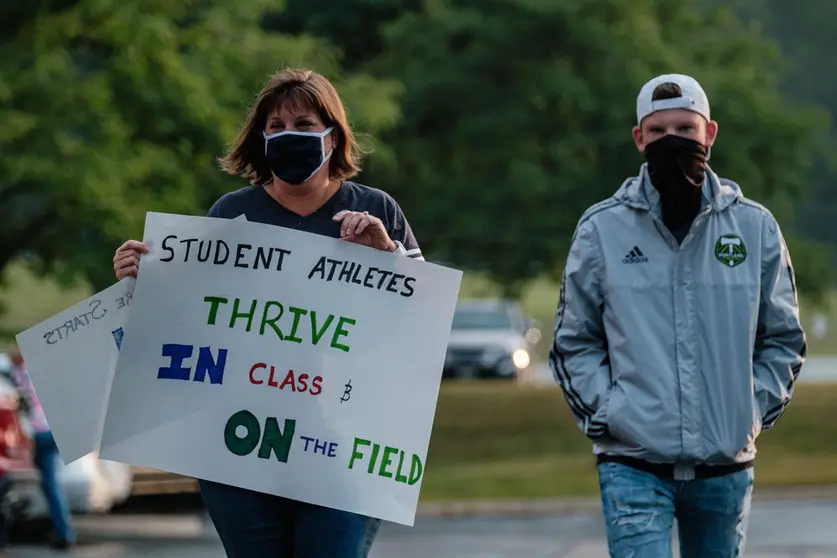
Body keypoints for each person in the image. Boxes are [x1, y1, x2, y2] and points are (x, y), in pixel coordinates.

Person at [111, 68, 423, 558]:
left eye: (303, 124)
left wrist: (388, 256)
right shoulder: (230, 215)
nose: (288, 135)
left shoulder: (377, 211)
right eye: (276, 126)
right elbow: (191, 321)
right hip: (240, 448)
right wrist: (142, 283)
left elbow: (423, 319)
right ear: (260, 138)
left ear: (332, 135)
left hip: (341, 449)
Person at [549, 73, 806, 558]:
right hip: (632, 464)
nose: (673, 141)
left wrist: (748, 415)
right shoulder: (601, 228)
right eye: (660, 131)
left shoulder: (754, 228)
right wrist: (610, 415)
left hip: (725, 466)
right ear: (639, 138)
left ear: (709, 133)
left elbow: (783, 340)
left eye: (685, 130)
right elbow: (573, 342)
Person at [8, 349, 76, 550]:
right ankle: (63, 529)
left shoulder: (20, 374)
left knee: (48, 484)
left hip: (38, 432)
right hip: (53, 430)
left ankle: (63, 531)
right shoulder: (42, 370)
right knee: (51, 484)